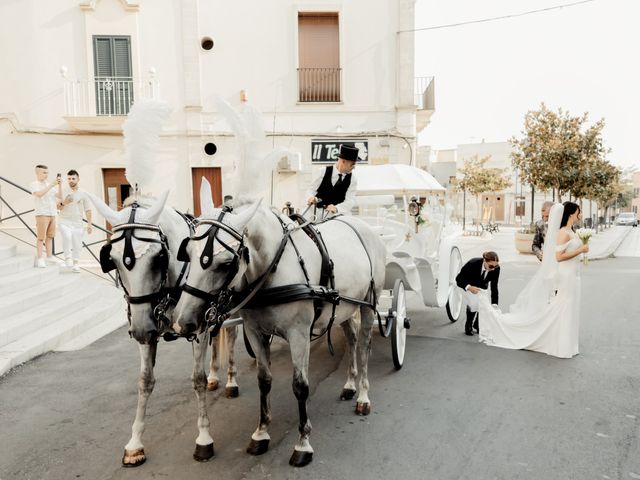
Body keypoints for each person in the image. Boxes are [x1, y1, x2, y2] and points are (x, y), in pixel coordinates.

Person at [477, 202, 588, 358]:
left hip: (573, 273)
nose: (580, 214)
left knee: (568, 306)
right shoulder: (563, 232)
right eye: (579, 211)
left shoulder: (572, 230)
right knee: (563, 306)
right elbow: (558, 257)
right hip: (566, 274)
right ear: (571, 214)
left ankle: (566, 343)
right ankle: (559, 344)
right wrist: (580, 250)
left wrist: (581, 252)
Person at [455, 251, 500, 336]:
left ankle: (477, 324)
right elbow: (458, 279)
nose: (493, 269)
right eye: (491, 266)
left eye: (495, 266)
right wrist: (469, 287)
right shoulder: (473, 263)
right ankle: (468, 324)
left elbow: (494, 287)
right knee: (474, 302)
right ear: (484, 261)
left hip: (482, 287)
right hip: (468, 285)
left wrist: (495, 304)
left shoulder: (496, 269)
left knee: (484, 304)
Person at [306, 144, 359, 215]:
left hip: (337, 216)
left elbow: (350, 200)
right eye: (352, 164)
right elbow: (311, 189)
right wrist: (310, 198)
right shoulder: (322, 172)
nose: (354, 167)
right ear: (343, 162)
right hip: (315, 214)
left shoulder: (353, 180)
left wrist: (337, 208)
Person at [57, 170, 92, 272]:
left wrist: (89, 224)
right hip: (64, 220)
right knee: (67, 237)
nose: (71, 180)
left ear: (78, 179)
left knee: (77, 243)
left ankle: (76, 263)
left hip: (78, 223)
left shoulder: (83, 193)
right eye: (69, 179)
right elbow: (58, 207)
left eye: (73, 178)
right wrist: (65, 202)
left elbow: (88, 210)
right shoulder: (62, 191)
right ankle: (67, 258)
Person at [30, 164, 60, 268]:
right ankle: (40, 258)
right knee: (40, 237)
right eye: (44, 172)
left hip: (52, 213)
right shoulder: (34, 184)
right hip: (42, 213)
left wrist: (59, 185)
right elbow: (39, 194)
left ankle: (49, 256)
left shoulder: (49, 184)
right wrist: (51, 185)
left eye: (47, 172)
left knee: (50, 236)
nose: (46, 175)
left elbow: (59, 196)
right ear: (37, 173)